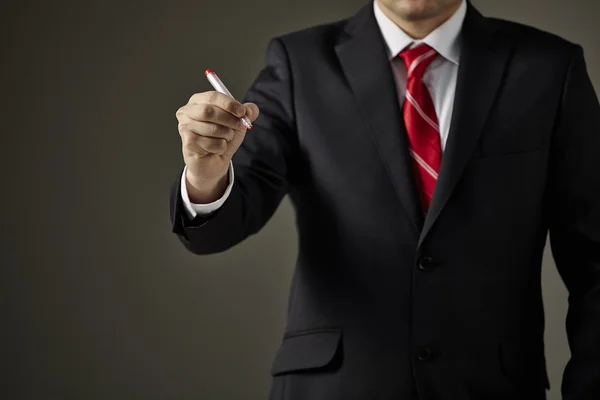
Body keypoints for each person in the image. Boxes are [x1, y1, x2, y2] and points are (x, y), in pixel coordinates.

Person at [170, 0, 600, 398]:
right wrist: (206, 175)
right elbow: (223, 221)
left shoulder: (549, 67)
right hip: (335, 387)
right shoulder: (299, 61)